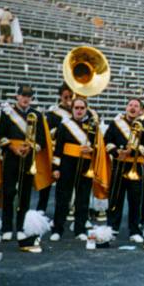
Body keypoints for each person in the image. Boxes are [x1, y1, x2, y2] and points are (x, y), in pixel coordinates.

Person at [0, 84, 50, 251]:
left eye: (29, 96)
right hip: (12, 155)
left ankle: (20, 227)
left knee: (25, 194)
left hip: (28, 157)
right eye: (23, 95)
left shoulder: (37, 115)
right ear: (17, 96)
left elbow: (41, 138)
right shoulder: (7, 113)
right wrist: (13, 147)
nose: (26, 98)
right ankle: (6, 228)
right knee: (9, 192)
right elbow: (0, 134)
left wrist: (31, 147)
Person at [104, 97, 144, 243]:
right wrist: (116, 152)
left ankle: (135, 230)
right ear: (126, 107)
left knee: (136, 200)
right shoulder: (115, 123)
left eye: (136, 106)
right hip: (119, 164)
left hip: (136, 166)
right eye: (130, 105)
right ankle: (112, 228)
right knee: (115, 198)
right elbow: (107, 140)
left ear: (140, 110)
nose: (133, 108)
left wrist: (132, 152)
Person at [49, 97, 98, 243]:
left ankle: (80, 229)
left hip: (85, 164)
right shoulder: (65, 125)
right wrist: (56, 167)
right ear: (72, 109)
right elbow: (58, 148)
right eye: (76, 108)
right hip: (67, 163)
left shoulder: (93, 126)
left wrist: (92, 149)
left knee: (82, 200)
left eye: (82, 108)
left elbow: (99, 147)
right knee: (62, 198)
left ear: (86, 109)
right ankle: (57, 229)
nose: (79, 110)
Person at [37, 84, 74, 214]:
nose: (69, 99)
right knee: (47, 182)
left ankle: (63, 212)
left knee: (64, 186)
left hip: (68, 153)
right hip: (54, 151)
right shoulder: (53, 113)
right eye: (66, 97)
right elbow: (47, 133)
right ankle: (41, 211)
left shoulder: (78, 112)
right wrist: (60, 131)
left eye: (71, 96)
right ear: (60, 97)